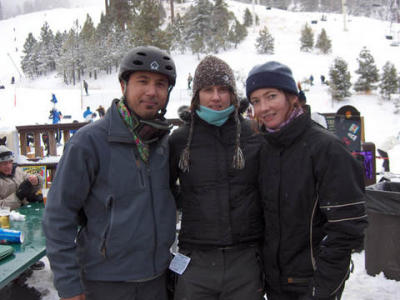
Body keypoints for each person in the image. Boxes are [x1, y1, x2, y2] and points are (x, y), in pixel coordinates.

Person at [42, 46, 178, 300]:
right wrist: (69, 284)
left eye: (161, 84)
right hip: (104, 283)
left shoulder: (164, 144)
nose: (151, 91)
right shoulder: (89, 143)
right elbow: (58, 216)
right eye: (142, 81)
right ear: (123, 85)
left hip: (156, 281)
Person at [245, 61, 368, 300]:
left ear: (292, 98)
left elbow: (346, 229)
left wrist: (321, 289)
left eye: (271, 96)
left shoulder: (327, 149)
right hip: (274, 284)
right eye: (256, 101)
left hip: (312, 286)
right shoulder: (265, 149)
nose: (264, 107)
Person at [169, 56, 265, 300]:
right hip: (195, 258)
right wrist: (193, 203)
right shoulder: (179, 140)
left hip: (245, 259)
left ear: (232, 94)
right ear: (196, 95)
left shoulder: (254, 135)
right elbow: (164, 190)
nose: (216, 97)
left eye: (223, 90)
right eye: (208, 90)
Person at [0, 145, 43, 210]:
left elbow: (32, 179)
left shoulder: (17, 171)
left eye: (10, 162)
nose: (8, 166)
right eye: (4, 164)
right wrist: (18, 196)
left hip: (25, 212)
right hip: (7, 217)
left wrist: (36, 180)